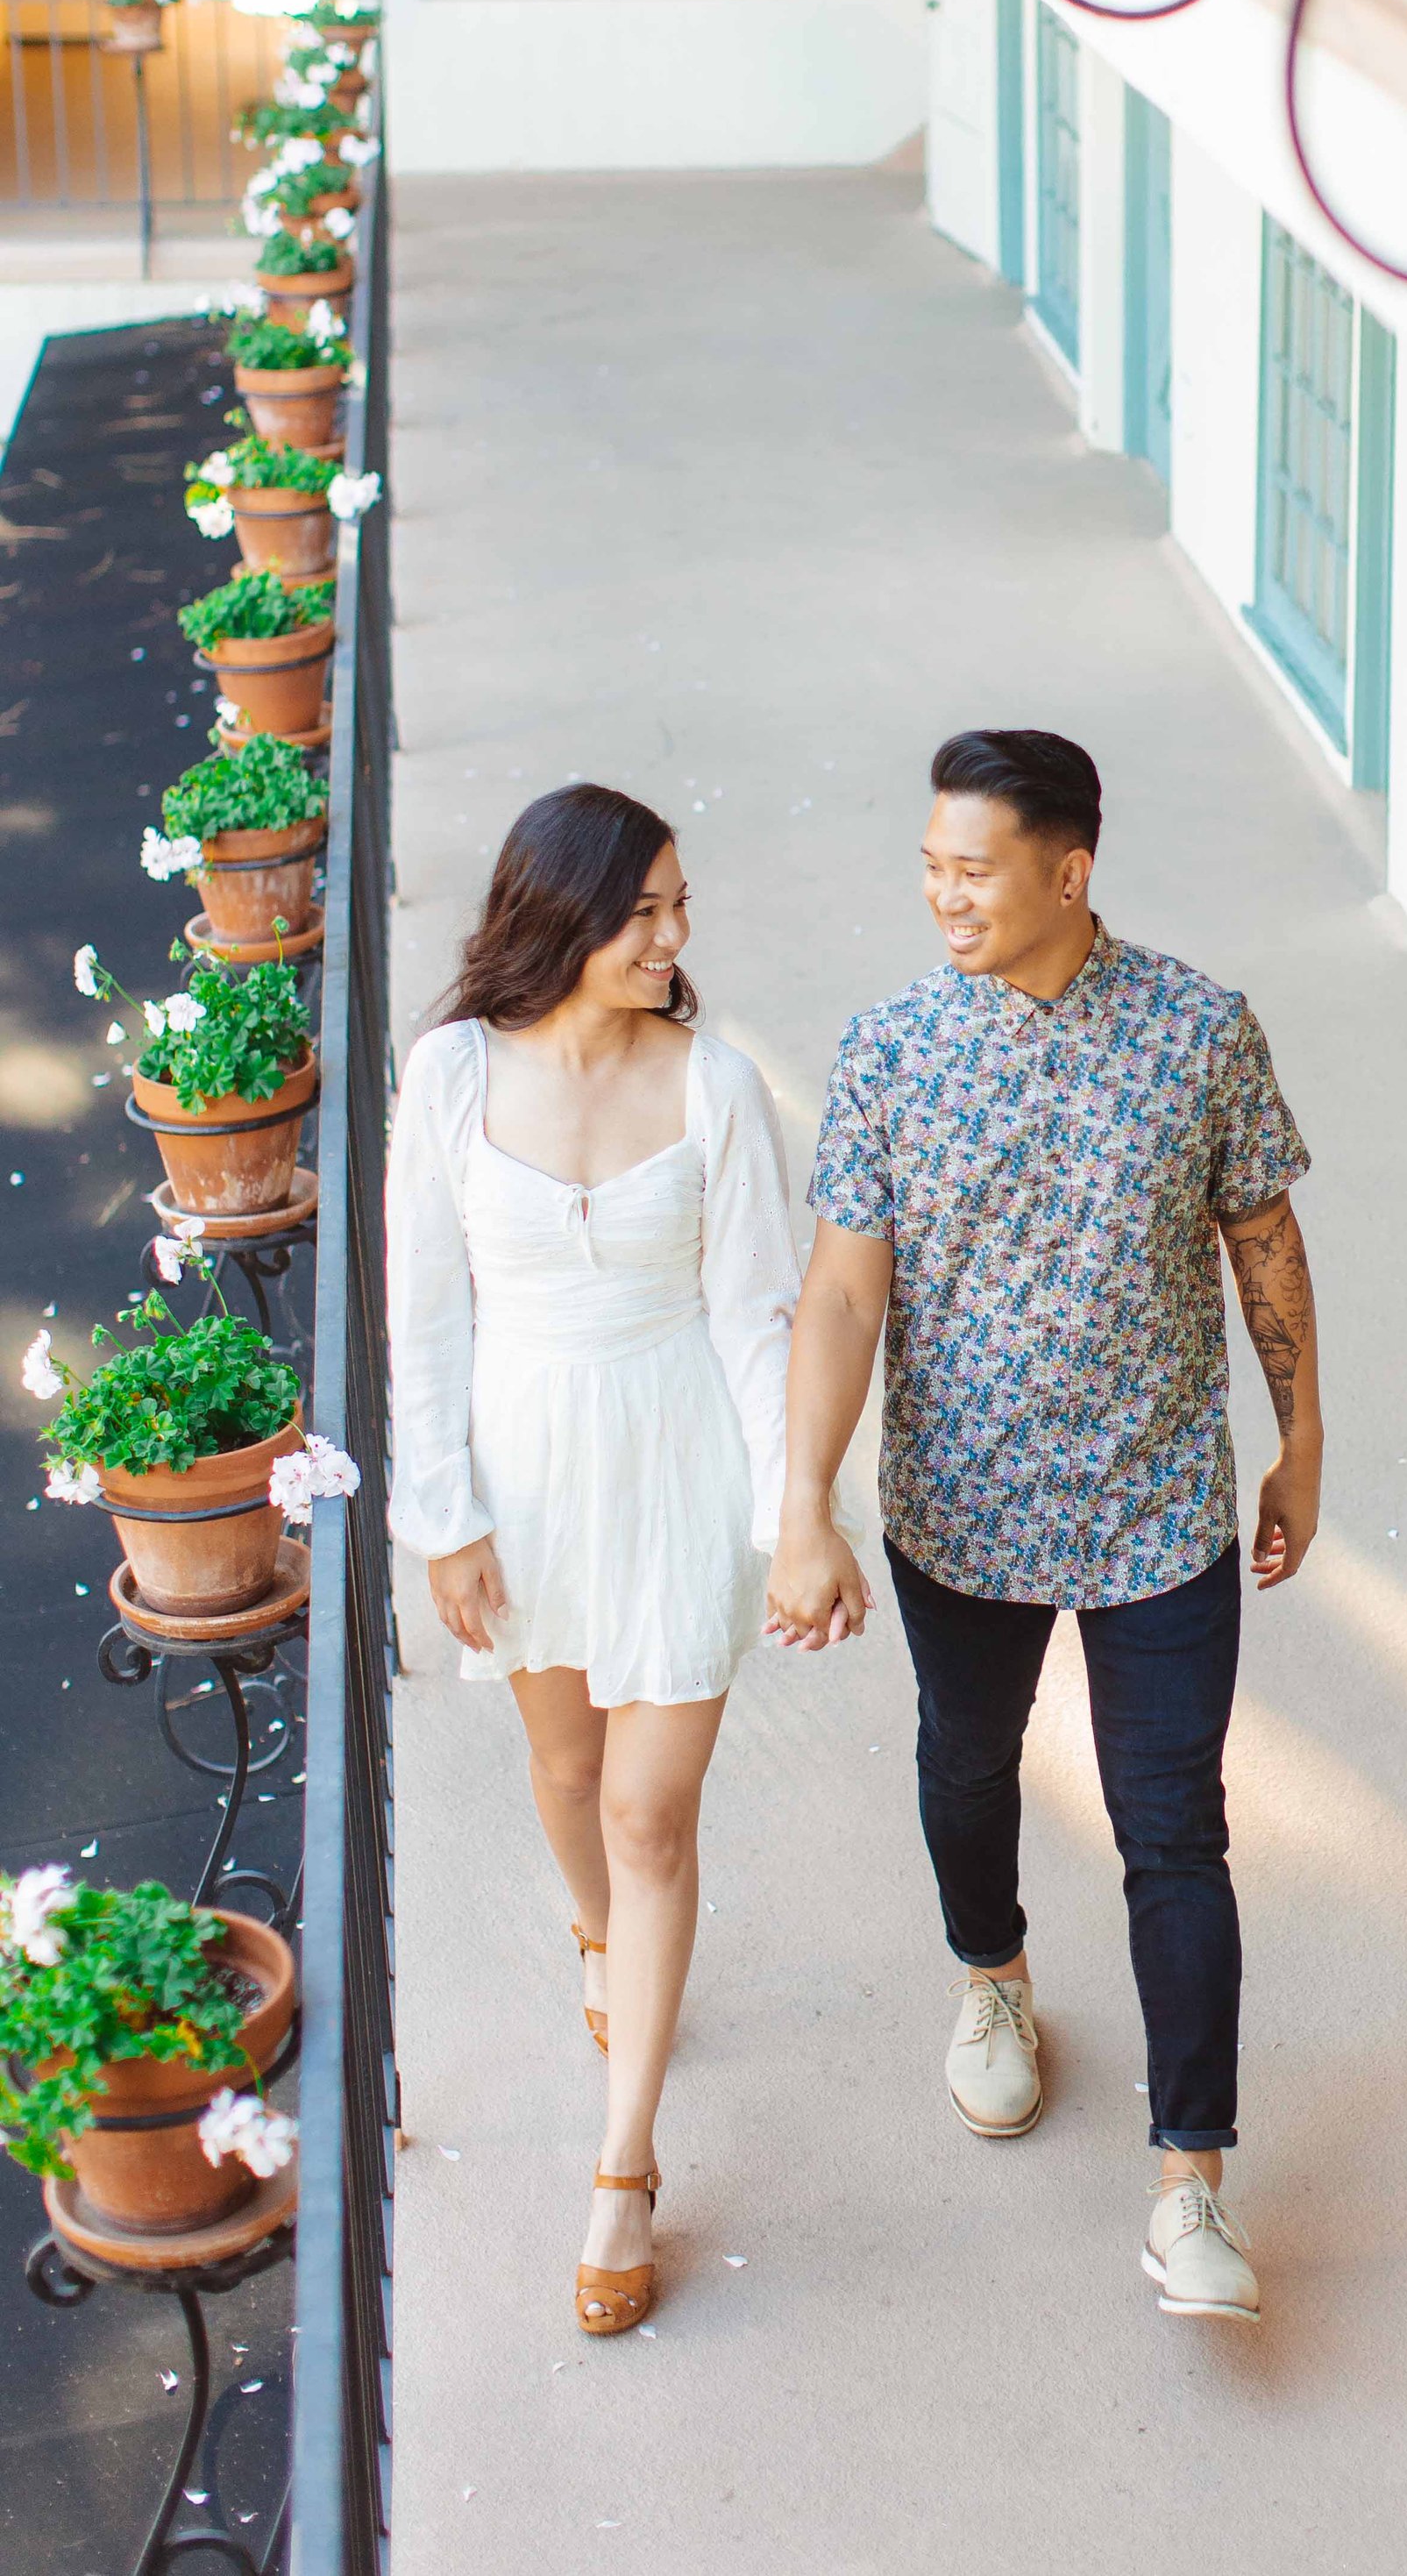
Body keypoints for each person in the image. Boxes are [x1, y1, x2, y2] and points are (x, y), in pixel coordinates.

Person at [768, 727, 1320, 2323]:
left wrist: (1303, 1438)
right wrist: (803, 1503)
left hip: (1162, 1513)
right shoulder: (887, 1051)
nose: (941, 893)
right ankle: (993, 1981)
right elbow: (844, 1292)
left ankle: (1191, 2186)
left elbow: (1264, 1240)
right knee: (965, 1762)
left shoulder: (1203, 1031)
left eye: (972, 868)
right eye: (930, 865)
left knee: (1176, 1831)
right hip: (963, 1515)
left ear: (1068, 870)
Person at [386, 782, 802, 2339]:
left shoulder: (716, 1087)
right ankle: (599, 1941)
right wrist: (444, 1514)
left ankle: (623, 2164)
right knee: (567, 1773)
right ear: (557, 916)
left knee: (647, 1803)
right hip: (523, 1471)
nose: (676, 937)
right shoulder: (448, 1076)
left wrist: (790, 1521)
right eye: (647, 912)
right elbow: (422, 1312)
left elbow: (756, 1319)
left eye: (680, 905)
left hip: (679, 1462)